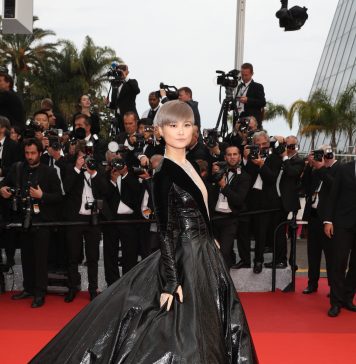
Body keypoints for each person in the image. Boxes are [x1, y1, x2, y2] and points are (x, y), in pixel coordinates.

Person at [30, 100, 258, 363]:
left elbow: (200, 207)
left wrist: (210, 236)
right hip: (184, 256)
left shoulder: (193, 165)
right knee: (184, 336)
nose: (181, 131)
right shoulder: (163, 174)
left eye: (186, 124)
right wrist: (172, 281)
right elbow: (165, 229)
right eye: (173, 125)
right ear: (159, 130)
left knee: (213, 325)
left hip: (205, 253)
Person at [235, 63, 266, 129]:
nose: (244, 77)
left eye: (246, 75)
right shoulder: (239, 86)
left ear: (252, 74)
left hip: (251, 122)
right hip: (239, 119)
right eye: (242, 75)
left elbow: (262, 102)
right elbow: (238, 103)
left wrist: (248, 100)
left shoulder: (258, 86)